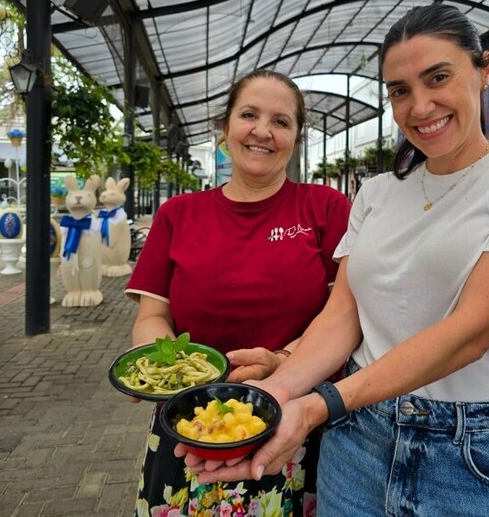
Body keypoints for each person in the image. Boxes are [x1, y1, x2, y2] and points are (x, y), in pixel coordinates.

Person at [186, 4, 489, 516]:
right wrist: (274, 394)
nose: (419, 106)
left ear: (483, 71)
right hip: (356, 441)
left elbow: (470, 332)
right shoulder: (375, 193)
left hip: (469, 452)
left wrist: (320, 404)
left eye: (438, 77)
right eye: (399, 90)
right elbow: (343, 314)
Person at [123, 69, 352, 517]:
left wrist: (284, 362)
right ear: (224, 127)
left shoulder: (326, 208)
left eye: (281, 122)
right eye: (249, 114)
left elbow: (344, 315)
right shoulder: (178, 214)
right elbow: (152, 317)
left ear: (296, 136)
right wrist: (162, 366)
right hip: (190, 425)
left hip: (297, 425)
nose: (263, 131)